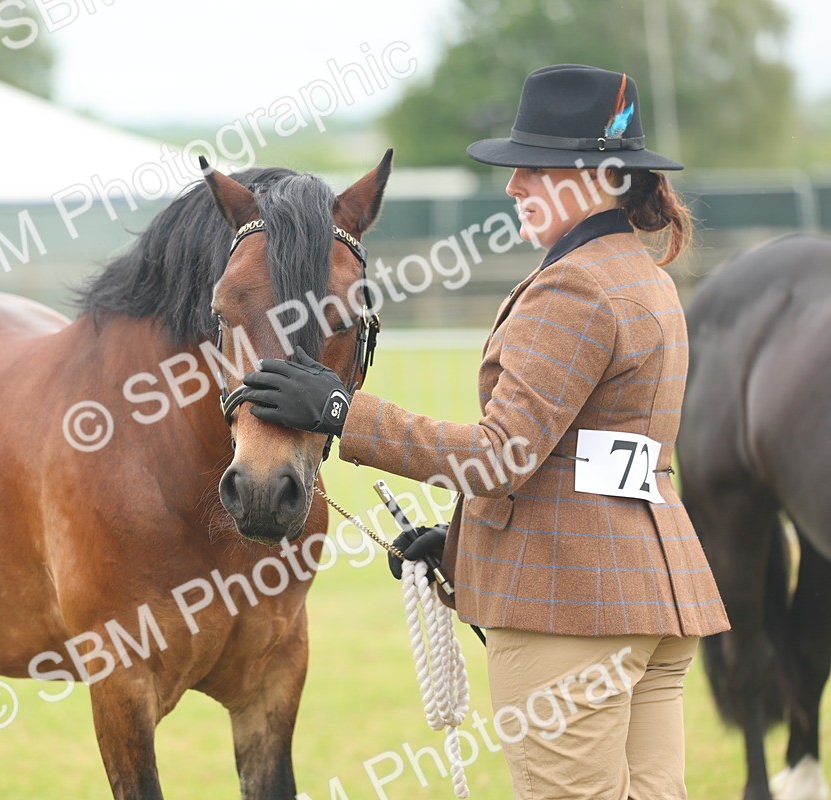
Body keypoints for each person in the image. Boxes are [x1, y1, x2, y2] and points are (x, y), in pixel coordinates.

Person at [240, 64, 730, 799]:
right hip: (650, 601)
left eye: (532, 170)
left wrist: (341, 410)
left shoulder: (573, 285)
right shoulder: (641, 274)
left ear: (594, 177)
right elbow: (585, 458)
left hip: (570, 609)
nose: (513, 188)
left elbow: (503, 457)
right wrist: (465, 544)